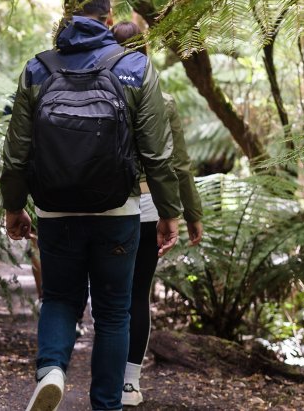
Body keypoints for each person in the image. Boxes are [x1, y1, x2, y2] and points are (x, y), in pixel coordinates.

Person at [1, 0, 183, 411]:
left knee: (61, 298)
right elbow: (157, 152)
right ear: (108, 17)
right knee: (114, 312)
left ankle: (52, 371)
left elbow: (16, 152)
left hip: (54, 210)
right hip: (118, 211)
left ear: (65, 17)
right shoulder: (135, 67)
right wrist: (169, 211)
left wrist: (14, 206)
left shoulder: (38, 69)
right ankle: (106, 405)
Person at [110, 21, 205, 407]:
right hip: (148, 207)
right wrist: (189, 213)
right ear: (145, 53)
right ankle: (129, 382)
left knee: (108, 295)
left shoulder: (95, 92)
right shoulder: (161, 101)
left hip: (103, 205)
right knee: (136, 294)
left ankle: (108, 376)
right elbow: (177, 165)